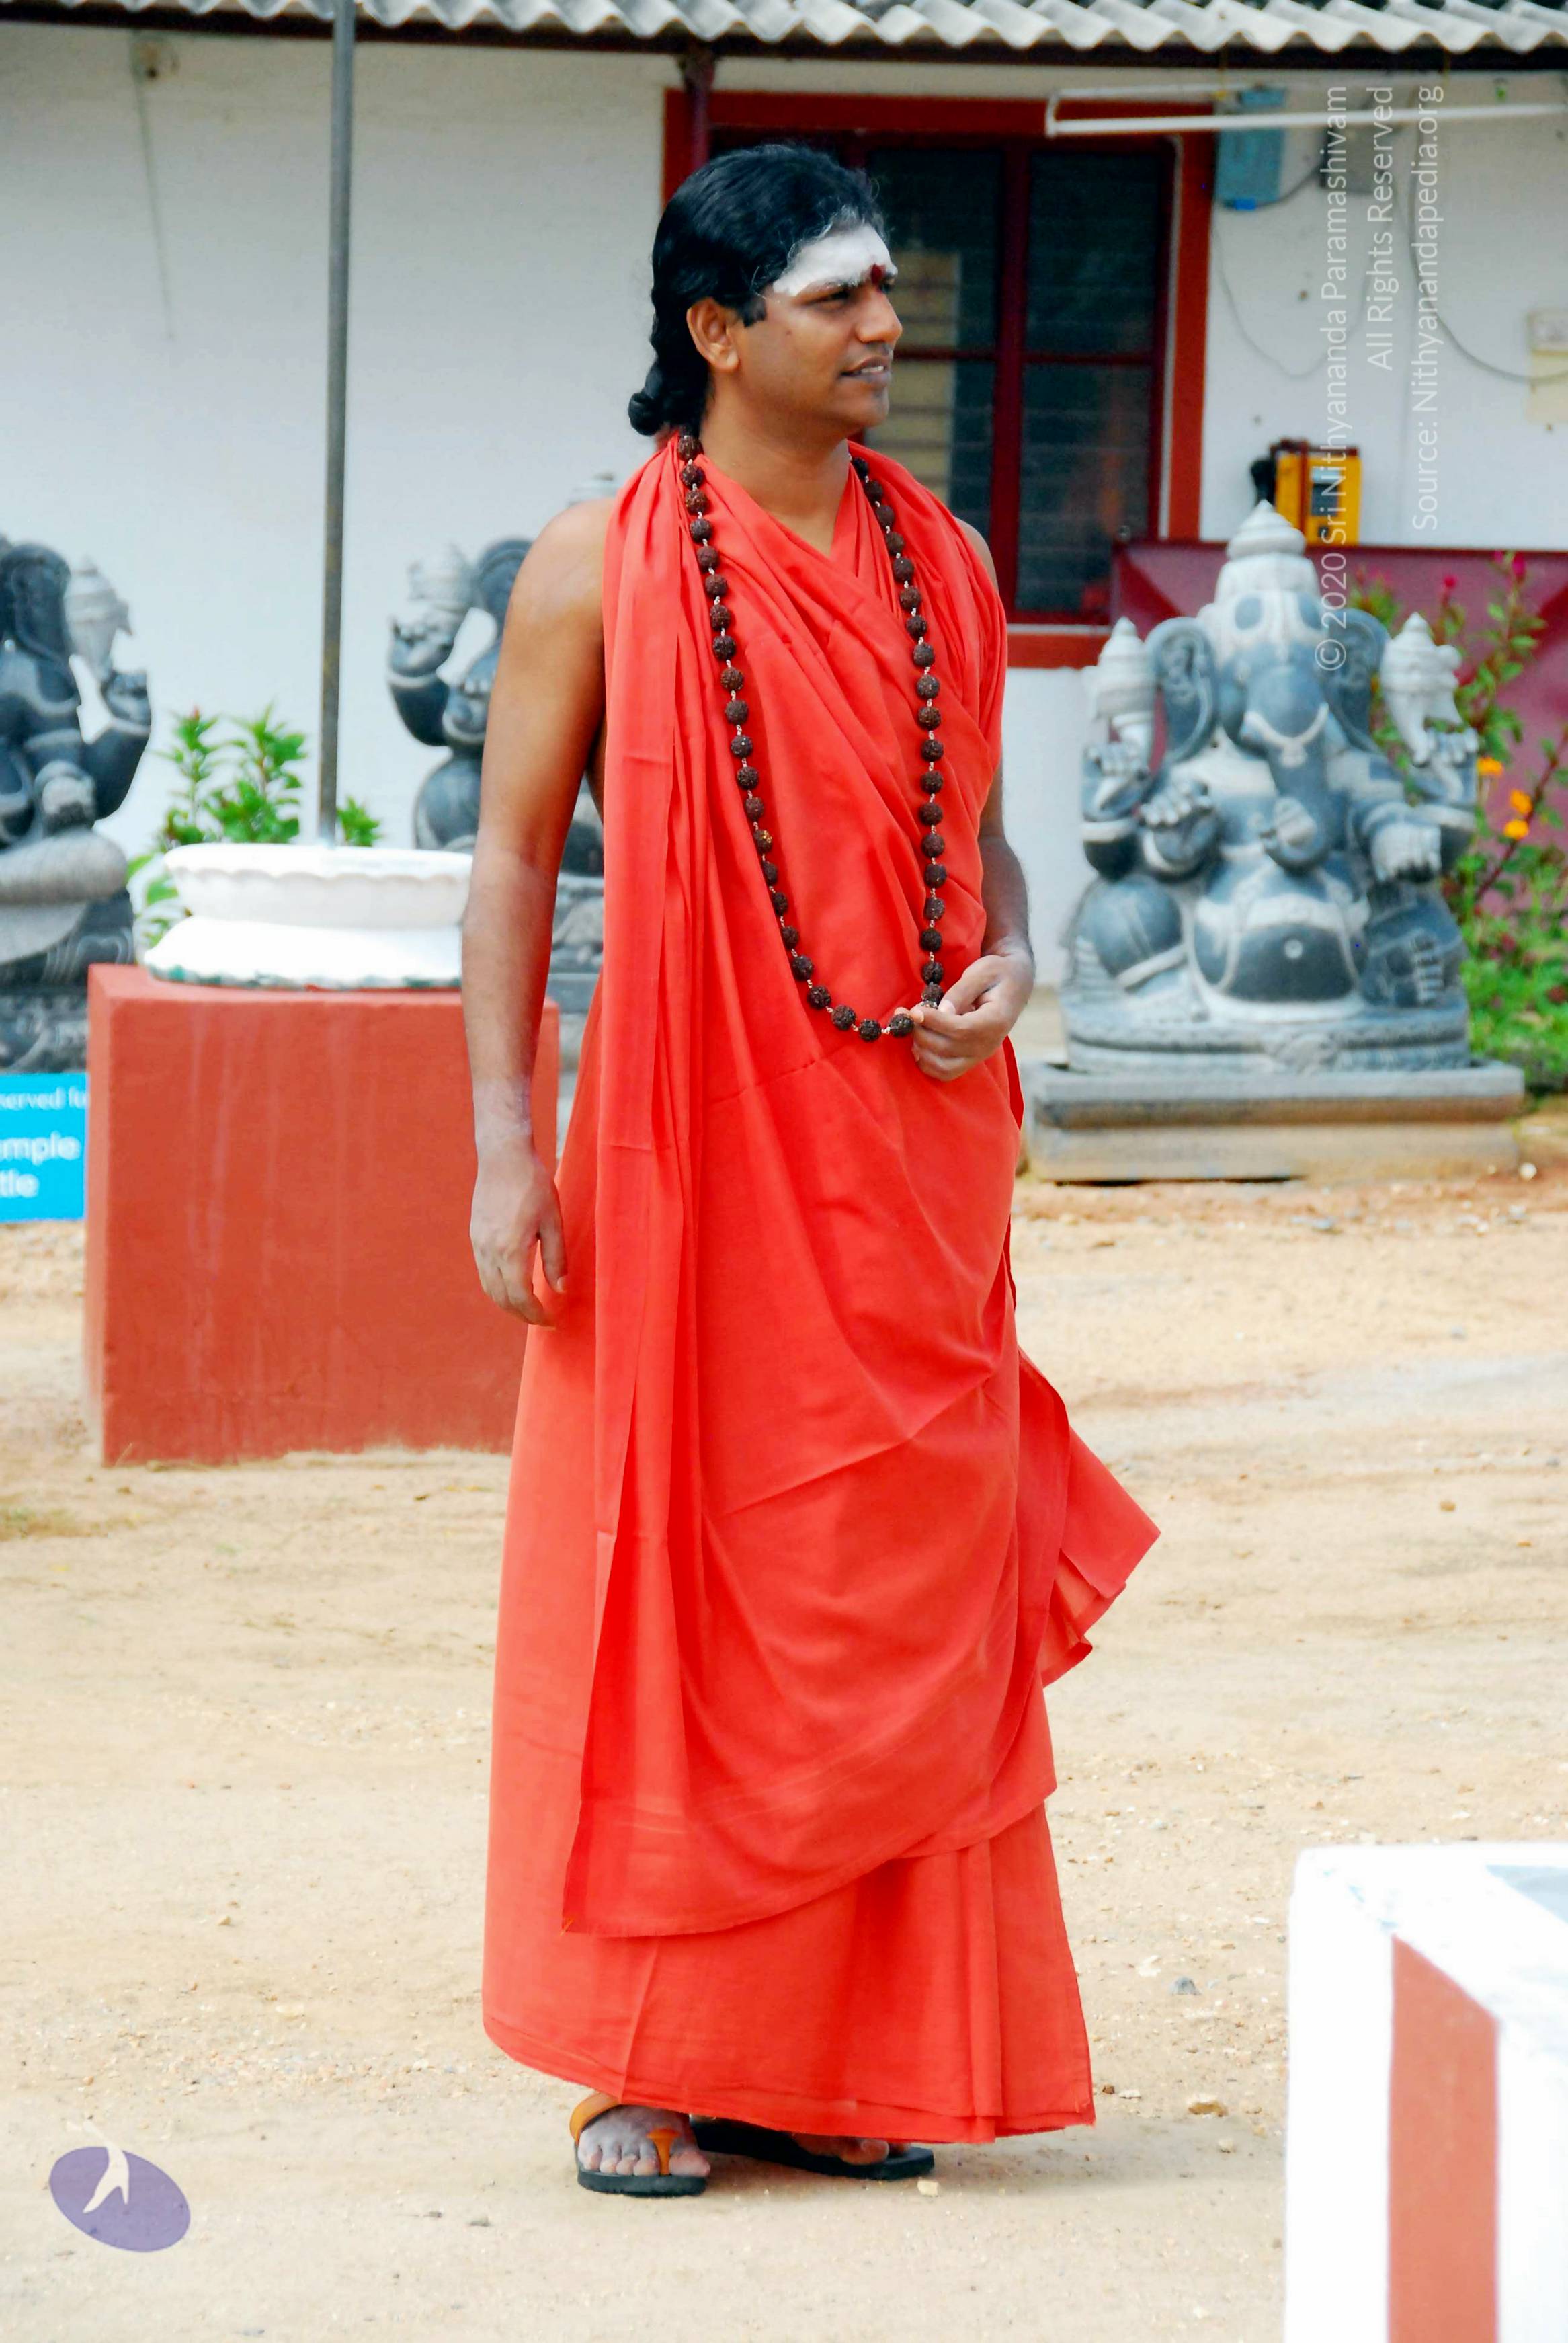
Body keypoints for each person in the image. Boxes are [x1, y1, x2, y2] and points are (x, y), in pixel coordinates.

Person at [462, 143, 1157, 2200]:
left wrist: (1011, 962)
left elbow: (983, 842)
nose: (886, 327)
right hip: (685, 1159)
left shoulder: (942, 560)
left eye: (885, 291)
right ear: (716, 331)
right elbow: (511, 858)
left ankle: (846, 2060)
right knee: (678, 1585)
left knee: (889, 1597)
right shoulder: (597, 563)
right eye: (840, 296)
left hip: (908, 1172)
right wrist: (505, 1143)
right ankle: (646, 2060)